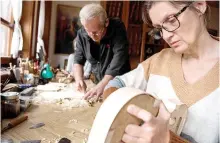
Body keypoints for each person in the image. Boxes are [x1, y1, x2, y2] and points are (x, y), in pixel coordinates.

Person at [104, 1, 219, 143]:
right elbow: (116, 83)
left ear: (199, 5)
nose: (165, 36)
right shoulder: (160, 59)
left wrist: (167, 140)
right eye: (159, 28)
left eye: (171, 20)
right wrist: (119, 113)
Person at [73, 4, 131, 100]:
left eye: (95, 32)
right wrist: (79, 79)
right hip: (99, 82)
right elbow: (78, 60)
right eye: (88, 31)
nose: (92, 35)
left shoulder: (117, 28)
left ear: (106, 22)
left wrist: (103, 84)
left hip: (120, 85)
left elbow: (119, 57)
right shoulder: (81, 34)